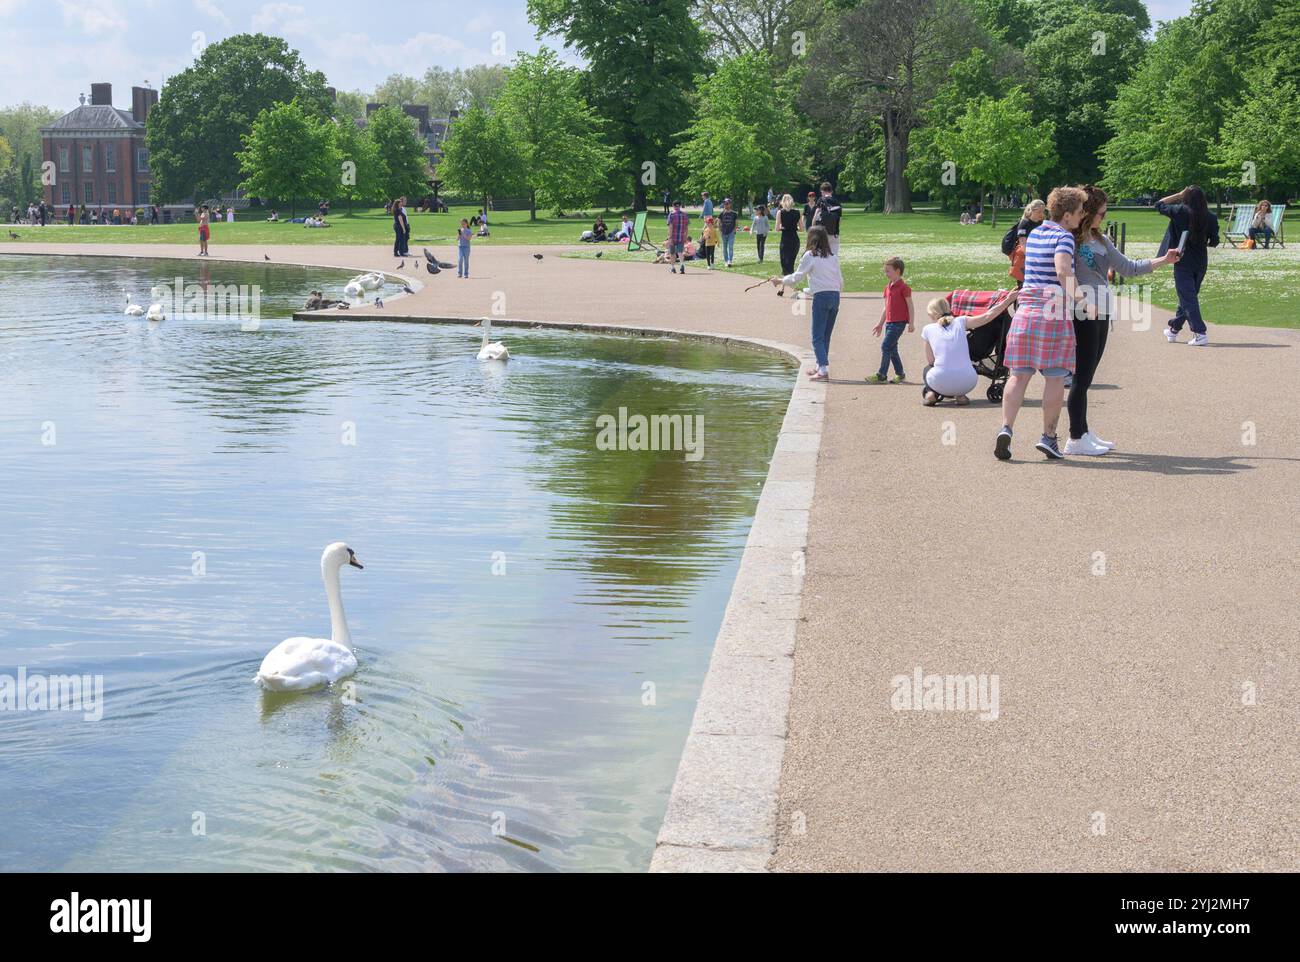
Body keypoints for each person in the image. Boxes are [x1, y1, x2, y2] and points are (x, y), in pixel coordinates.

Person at [1067, 185, 1181, 455]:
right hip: (1083, 311)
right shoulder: (1071, 240)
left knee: (1088, 376)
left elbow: (1128, 268)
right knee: (1081, 376)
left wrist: (1164, 260)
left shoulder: (1102, 240)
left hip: (1103, 310)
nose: (1104, 217)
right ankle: (1074, 437)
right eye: (1101, 213)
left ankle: (1082, 431)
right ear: (1088, 212)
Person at [995, 186, 1090, 461]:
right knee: (1055, 376)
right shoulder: (1064, 237)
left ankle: (1006, 429)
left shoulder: (1035, 234)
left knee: (1018, 375)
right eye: (1081, 212)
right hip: (1052, 312)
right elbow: (1062, 270)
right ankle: (1048, 437)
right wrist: (1082, 300)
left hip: (1026, 310)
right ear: (1068, 215)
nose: (1082, 217)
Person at [768, 225, 842, 382]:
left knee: (816, 336)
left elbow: (797, 277)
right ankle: (819, 365)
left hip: (822, 298)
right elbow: (839, 281)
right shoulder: (833, 256)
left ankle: (822, 369)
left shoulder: (810, 255)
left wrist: (780, 280)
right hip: (835, 296)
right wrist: (812, 289)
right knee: (825, 335)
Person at [921, 293, 1017, 406]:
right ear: (948, 308)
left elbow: (931, 361)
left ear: (932, 314)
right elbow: (988, 316)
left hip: (941, 379)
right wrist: (1008, 300)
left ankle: (932, 393)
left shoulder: (927, 329)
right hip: (969, 381)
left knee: (928, 368)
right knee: (962, 366)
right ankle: (960, 395)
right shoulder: (961, 321)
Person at [1156, 185, 1218, 346]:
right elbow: (1215, 241)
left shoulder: (1180, 212)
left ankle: (1200, 332)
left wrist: (1178, 194)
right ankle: (1173, 329)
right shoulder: (1210, 217)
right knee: (1188, 297)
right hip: (1201, 261)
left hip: (1182, 260)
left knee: (1188, 298)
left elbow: (1159, 204)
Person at [866, 257, 913, 383]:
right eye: (885, 271)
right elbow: (886, 307)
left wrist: (911, 323)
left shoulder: (904, 287)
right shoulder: (887, 288)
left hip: (899, 323)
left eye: (888, 271)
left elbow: (910, 305)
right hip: (889, 323)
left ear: (897, 271)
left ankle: (882, 375)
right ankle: (900, 374)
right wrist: (880, 323)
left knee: (885, 347)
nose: (886, 274)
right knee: (892, 349)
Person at [1002, 199, 1046, 288]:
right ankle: (1013, 301)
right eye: (1039, 212)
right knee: (1023, 285)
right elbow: (1022, 243)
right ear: (1032, 211)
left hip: (1036, 256)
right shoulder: (1025, 223)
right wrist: (1032, 258)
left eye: (1043, 211)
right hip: (1025, 258)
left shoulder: (1041, 223)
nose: (1041, 214)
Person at [812, 181, 842, 254]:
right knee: (834, 255)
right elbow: (840, 220)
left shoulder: (821, 201)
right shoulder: (837, 202)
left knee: (821, 255)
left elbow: (816, 216)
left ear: (822, 191)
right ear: (831, 191)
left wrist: (813, 229)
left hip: (821, 233)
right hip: (834, 233)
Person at [777, 193, 802, 276]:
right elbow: (802, 228)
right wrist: (795, 227)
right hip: (794, 239)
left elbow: (777, 228)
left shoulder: (780, 212)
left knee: (784, 262)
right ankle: (790, 283)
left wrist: (782, 227)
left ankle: (785, 284)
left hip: (785, 239)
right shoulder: (797, 212)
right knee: (791, 263)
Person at [666, 200, 690, 274]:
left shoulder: (672, 215)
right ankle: (682, 265)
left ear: (673, 206)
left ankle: (673, 268)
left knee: (672, 253)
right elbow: (686, 227)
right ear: (680, 205)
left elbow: (671, 227)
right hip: (681, 236)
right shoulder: (684, 214)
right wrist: (685, 236)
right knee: (680, 252)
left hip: (673, 237)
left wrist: (669, 237)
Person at [717, 198, 738, 267]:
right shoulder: (721, 213)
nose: (725, 205)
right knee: (725, 247)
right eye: (725, 204)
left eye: (727, 203)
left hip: (731, 232)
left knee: (730, 247)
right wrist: (720, 230)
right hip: (724, 232)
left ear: (730, 204)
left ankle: (730, 261)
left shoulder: (734, 214)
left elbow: (736, 223)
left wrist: (735, 230)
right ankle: (726, 261)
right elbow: (718, 223)